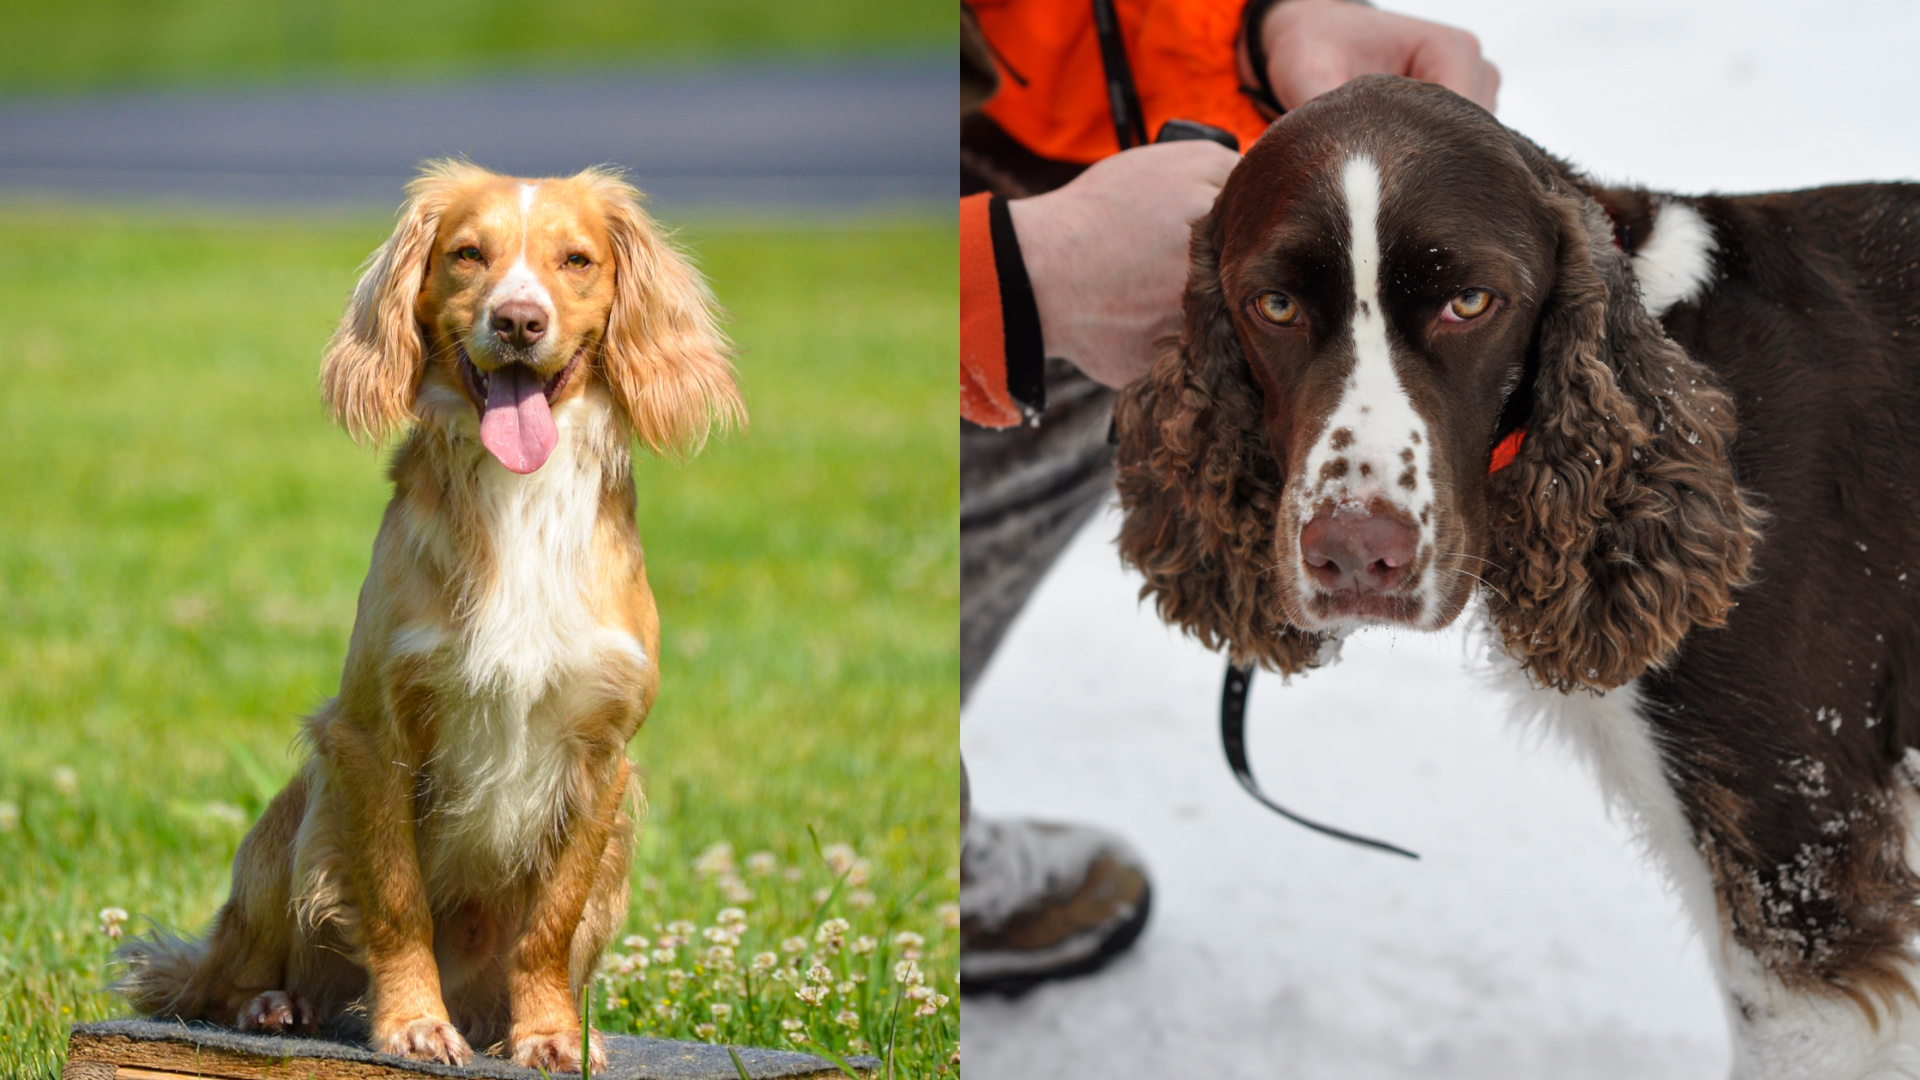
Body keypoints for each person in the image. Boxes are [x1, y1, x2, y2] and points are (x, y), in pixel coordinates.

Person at [959, 0, 1499, 995]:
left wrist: (1247, 39)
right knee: (1105, 338)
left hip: (1031, 110)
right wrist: (1025, 272)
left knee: (1143, 303)